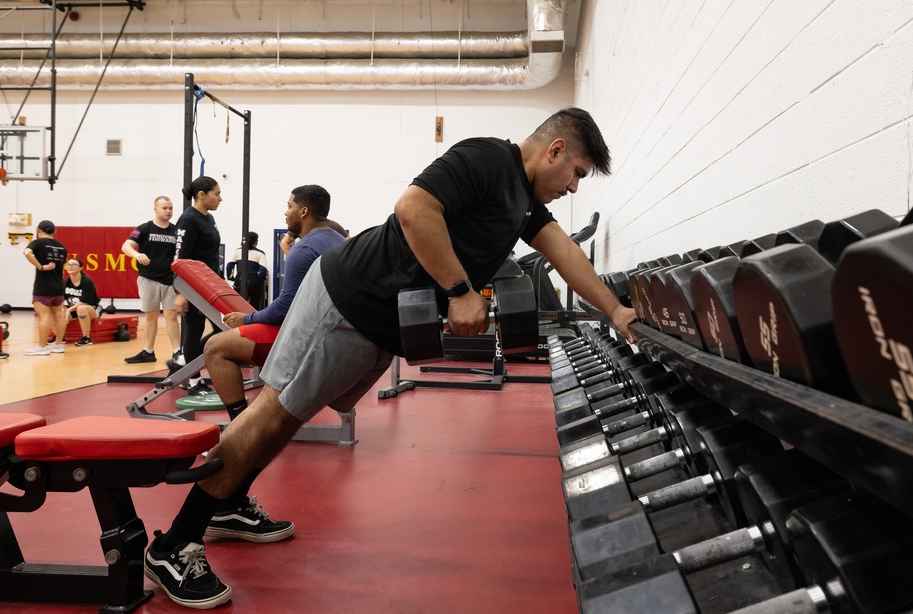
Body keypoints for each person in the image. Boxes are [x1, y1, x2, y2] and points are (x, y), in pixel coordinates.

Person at [143, 108, 637, 609]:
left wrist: (617, 310)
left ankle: (226, 505)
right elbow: (413, 207)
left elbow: (565, 255)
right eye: (576, 172)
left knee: (287, 418)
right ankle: (173, 546)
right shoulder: (489, 158)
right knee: (271, 413)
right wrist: (461, 290)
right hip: (349, 297)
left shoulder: (524, 203)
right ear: (554, 150)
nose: (574, 186)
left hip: (374, 318)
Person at [196, 186, 345, 543]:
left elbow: (283, 310)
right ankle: (233, 491)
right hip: (335, 336)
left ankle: (239, 427)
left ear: (304, 211)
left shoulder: (303, 251)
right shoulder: (337, 239)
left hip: (301, 337)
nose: (286, 212)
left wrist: (245, 318)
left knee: (215, 347)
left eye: (290, 205)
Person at [172, 176, 223, 395]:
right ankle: (193, 381)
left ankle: (187, 363)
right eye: (217, 193)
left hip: (211, 284)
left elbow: (210, 257)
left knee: (223, 328)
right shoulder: (188, 220)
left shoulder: (208, 219)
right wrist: (182, 292)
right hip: (193, 286)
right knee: (194, 331)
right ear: (202, 195)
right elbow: (180, 258)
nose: (220, 198)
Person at [122, 196, 181, 364]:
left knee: (171, 315)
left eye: (170, 208)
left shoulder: (177, 231)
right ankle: (148, 351)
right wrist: (136, 254)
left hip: (170, 281)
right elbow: (126, 246)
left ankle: (177, 352)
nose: (168, 210)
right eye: (164, 208)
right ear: (155, 209)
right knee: (150, 316)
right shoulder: (144, 228)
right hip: (148, 279)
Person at [23, 220, 68, 356]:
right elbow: (62, 269)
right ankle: (58, 345)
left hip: (43, 286)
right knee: (59, 316)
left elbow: (27, 253)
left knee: (43, 316)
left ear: (38, 230)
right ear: (55, 231)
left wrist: (40, 266)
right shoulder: (62, 246)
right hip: (58, 286)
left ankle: (42, 346)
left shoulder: (37, 243)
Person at [226, 231, 268, 310]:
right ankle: (253, 321)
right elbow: (263, 270)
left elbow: (229, 266)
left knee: (238, 304)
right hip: (254, 280)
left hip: (240, 279)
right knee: (254, 305)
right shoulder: (260, 253)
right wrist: (259, 279)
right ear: (256, 241)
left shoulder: (237, 251)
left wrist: (231, 277)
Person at [63, 259, 101, 347]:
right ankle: (59, 336)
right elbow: (60, 299)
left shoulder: (87, 282)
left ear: (80, 268)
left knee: (81, 308)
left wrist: (69, 310)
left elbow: (84, 302)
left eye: (74, 264)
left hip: (91, 308)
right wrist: (62, 309)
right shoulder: (65, 282)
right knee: (54, 310)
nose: (70, 266)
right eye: (69, 264)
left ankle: (86, 338)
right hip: (74, 309)